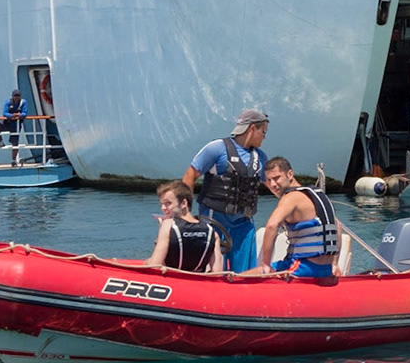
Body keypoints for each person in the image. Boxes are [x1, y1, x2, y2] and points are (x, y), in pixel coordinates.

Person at [181, 108, 269, 271]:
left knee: (244, 274)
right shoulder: (216, 149)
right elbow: (189, 176)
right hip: (214, 222)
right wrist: (185, 214)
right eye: (263, 132)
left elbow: (275, 184)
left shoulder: (260, 157)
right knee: (214, 271)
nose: (264, 137)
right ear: (252, 129)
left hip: (244, 225)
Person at [251, 157, 342, 279]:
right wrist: (334, 264)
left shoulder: (291, 197)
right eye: (268, 180)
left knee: (251, 275)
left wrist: (266, 265)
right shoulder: (316, 194)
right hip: (325, 269)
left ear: (290, 174)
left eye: (276, 178)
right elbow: (337, 226)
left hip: (305, 267)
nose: (272, 184)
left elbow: (272, 226)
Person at [145, 182, 224, 273]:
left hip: (173, 280)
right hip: (197, 281)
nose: (163, 208)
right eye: (161, 204)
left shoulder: (168, 225)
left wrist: (146, 262)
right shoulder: (212, 232)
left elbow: (154, 266)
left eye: (168, 203)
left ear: (183, 203)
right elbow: (217, 272)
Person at [0, 88, 26, 163]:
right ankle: (1, 142)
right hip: (7, 122)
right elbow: (5, 113)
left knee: (15, 142)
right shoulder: (8, 102)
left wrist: (19, 115)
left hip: (16, 125)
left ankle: (13, 160)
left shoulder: (23, 102)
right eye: (15, 95)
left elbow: (25, 112)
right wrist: (12, 115)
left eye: (18, 95)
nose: (17, 97)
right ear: (12, 96)